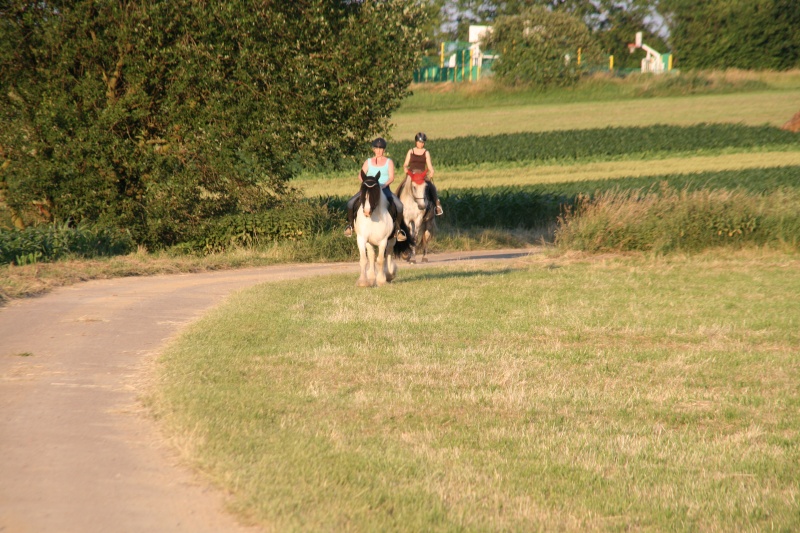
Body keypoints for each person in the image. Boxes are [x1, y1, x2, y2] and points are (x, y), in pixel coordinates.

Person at [344, 137, 406, 240]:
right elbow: (360, 175)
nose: (379, 151)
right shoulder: (368, 162)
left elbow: (391, 177)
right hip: (368, 189)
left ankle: (398, 230)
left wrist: (383, 185)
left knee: (399, 205)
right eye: (377, 148)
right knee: (350, 203)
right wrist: (366, 184)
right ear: (373, 149)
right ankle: (350, 226)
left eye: (381, 149)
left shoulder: (388, 162)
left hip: (383, 188)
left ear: (384, 150)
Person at [402, 132, 443, 216]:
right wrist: (405, 168)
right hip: (412, 174)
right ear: (416, 142)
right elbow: (405, 163)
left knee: (432, 187)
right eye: (420, 142)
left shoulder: (426, 152)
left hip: (422, 174)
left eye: (423, 142)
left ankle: (437, 205)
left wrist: (431, 171)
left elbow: (429, 165)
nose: (422, 144)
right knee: (401, 186)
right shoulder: (411, 151)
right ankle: (398, 203)